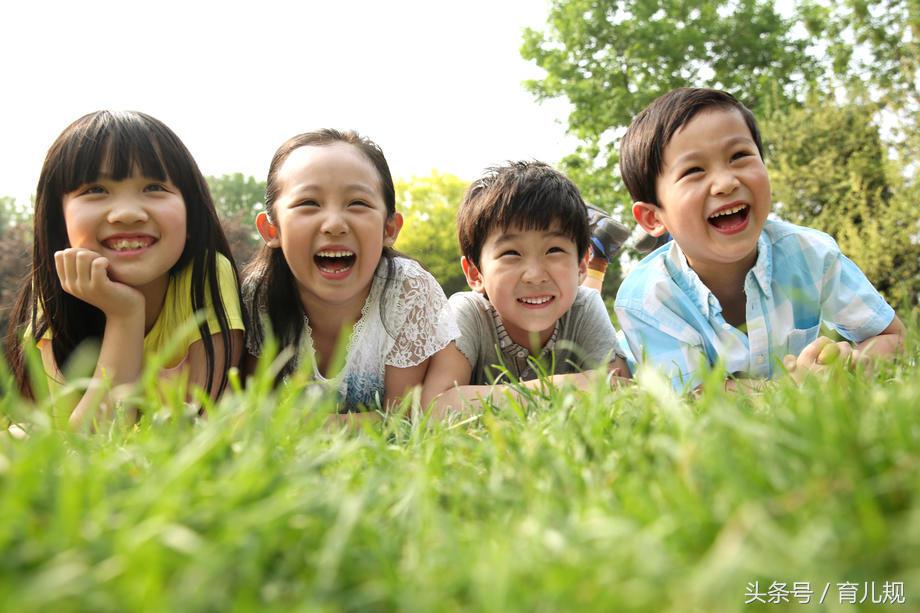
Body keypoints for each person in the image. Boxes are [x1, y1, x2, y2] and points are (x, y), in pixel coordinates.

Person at [614, 87, 905, 391]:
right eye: (693, 171)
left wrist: (850, 365)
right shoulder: (646, 298)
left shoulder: (811, 255)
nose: (726, 183)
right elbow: (696, 398)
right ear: (653, 217)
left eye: (739, 156)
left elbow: (891, 337)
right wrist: (795, 389)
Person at [3, 111, 245, 427]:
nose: (127, 214)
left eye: (154, 187)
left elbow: (198, 427)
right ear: (58, 220)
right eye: (95, 190)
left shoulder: (206, 275)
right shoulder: (51, 288)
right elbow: (86, 440)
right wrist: (125, 316)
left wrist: (124, 313)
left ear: (191, 212)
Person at [242, 129, 458, 414]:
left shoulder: (407, 291)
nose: (334, 224)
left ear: (389, 229)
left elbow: (399, 420)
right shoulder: (259, 295)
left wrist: (306, 429)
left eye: (358, 203)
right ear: (272, 229)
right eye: (308, 203)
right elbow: (254, 412)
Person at [422, 161, 630, 415]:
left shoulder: (583, 306)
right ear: (475, 273)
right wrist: (564, 386)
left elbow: (622, 391)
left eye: (554, 250)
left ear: (581, 265)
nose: (534, 275)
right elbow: (434, 407)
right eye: (511, 253)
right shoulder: (469, 313)